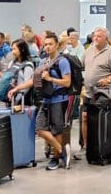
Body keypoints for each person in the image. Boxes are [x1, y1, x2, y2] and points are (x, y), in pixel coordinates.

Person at [82, 27, 111, 150]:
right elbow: (81, 65)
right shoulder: (89, 50)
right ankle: (86, 146)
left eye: (99, 36)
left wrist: (108, 80)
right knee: (85, 118)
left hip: (103, 92)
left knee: (100, 119)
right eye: (94, 36)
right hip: (89, 92)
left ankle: (102, 145)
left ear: (106, 38)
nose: (95, 38)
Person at [35, 35, 73, 170]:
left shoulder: (62, 62)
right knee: (40, 129)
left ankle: (56, 158)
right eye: (45, 44)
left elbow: (67, 82)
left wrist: (51, 79)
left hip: (59, 99)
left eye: (50, 44)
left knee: (57, 131)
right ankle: (63, 151)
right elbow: (36, 79)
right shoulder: (42, 62)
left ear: (57, 45)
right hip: (46, 99)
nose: (47, 47)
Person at [5, 40, 36, 105]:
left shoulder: (27, 65)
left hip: (22, 100)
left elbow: (28, 85)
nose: (12, 52)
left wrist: (16, 100)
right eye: (12, 49)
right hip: (11, 97)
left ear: (22, 50)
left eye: (14, 49)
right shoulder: (12, 63)